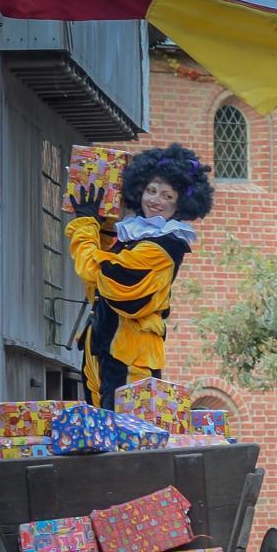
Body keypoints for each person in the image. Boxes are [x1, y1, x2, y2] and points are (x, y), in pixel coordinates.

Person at [65, 143, 213, 407]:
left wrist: (85, 226)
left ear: (180, 203)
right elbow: (100, 274)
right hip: (104, 347)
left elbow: (104, 275)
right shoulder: (136, 235)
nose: (156, 201)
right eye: (151, 191)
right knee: (105, 432)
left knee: (126, 435)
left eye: (167, 196)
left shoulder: (164, 246)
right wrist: (102, 223)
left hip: (129, 356)